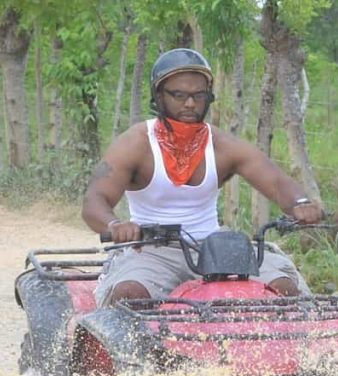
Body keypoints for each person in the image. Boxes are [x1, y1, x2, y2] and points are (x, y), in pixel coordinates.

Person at [82, 48, 324, 306]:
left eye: (199, 95)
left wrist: (300, 204)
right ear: (159, 96)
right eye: (179, 95)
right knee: (129, 295)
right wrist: (114, 225)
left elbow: (275, 180)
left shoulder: (221, 144)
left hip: (215, 248)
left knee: (283, 289)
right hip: (152, 251)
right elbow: (94, 199)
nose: (189, 103)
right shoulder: (136, 143)